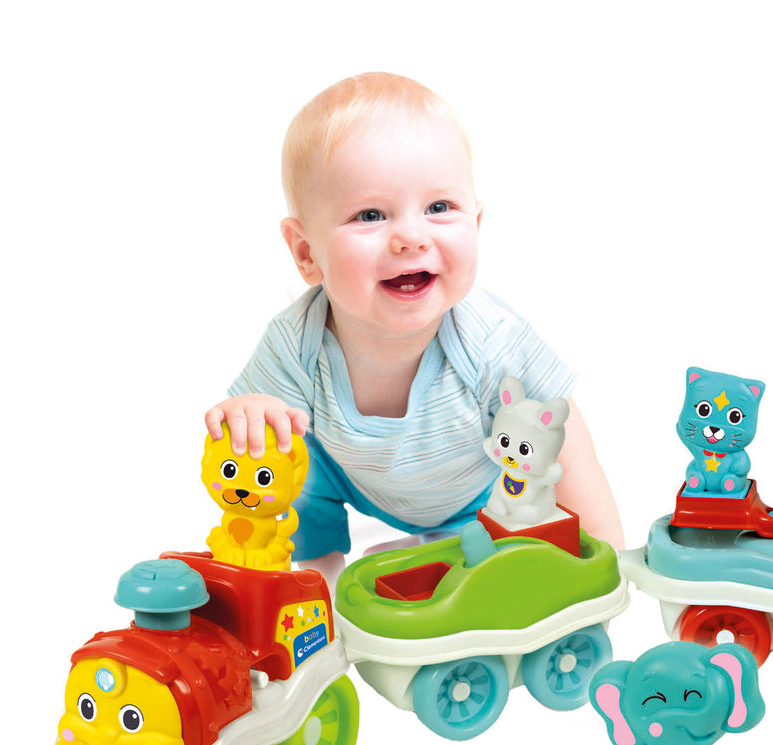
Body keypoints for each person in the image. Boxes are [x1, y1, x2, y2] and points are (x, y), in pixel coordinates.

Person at [206, 72, 623, 589]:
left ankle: (453, 546)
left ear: (476, 224)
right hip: (350, 480)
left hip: (481, 492)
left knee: (521, 497)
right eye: (370, 214)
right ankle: (317, 576)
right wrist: (249, 413)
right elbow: (256, 424)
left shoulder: (490, 340)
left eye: (439, 208)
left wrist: (605, 558)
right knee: (292, 450)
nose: (410, 237)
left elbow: (564, 442)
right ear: (307, 253)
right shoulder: (297, 341)